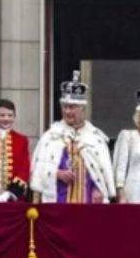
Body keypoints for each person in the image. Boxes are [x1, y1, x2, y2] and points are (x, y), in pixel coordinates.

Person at [31, 70, 116, 204]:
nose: (67, 111)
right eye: (64, 107)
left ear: (83, 109)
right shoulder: (50, 137)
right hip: (57, 203)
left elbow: (102, 173)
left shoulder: (95, 138)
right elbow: (37, 170)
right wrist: (57, 174)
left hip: (87, 204)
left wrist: (99, 189)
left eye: (72, 107)